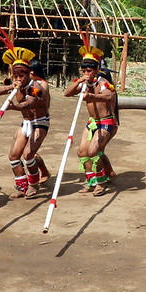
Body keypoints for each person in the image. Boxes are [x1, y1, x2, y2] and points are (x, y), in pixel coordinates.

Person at [0, 45, 49, 199]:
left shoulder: (34, 87)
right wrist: (11, 86)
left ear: (28, 75)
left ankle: (33, 184)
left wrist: (15, 107)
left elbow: (30, 103)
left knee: (28, 154)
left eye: (22, 76)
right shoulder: (15, 84)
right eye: (16, 76)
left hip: (40, 122)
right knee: (13, 156)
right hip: (25, 123)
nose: (19, 79)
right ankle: (21, 186)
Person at [63, 44, 118, 197]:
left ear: (96, 70)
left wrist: (92, 96)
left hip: (106, 122)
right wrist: (80, 80)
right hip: (92, 122)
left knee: (93, 151)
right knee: (82, 152)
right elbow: (67, 93)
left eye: (89, 70)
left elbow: (109, 96)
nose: (87, 73)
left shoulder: (103, 83)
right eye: (84, 70)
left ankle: (101, 182)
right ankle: (92, 181)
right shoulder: (83, 83)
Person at [28, 59, 51, 183]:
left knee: (30, 152)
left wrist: (23, 86)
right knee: (26, 152)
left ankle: (34, 181)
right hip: (28, 122)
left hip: (41, 121)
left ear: (32, 72)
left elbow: (40, 96)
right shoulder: (30, 83)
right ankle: (44, 171)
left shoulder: (43, 84)